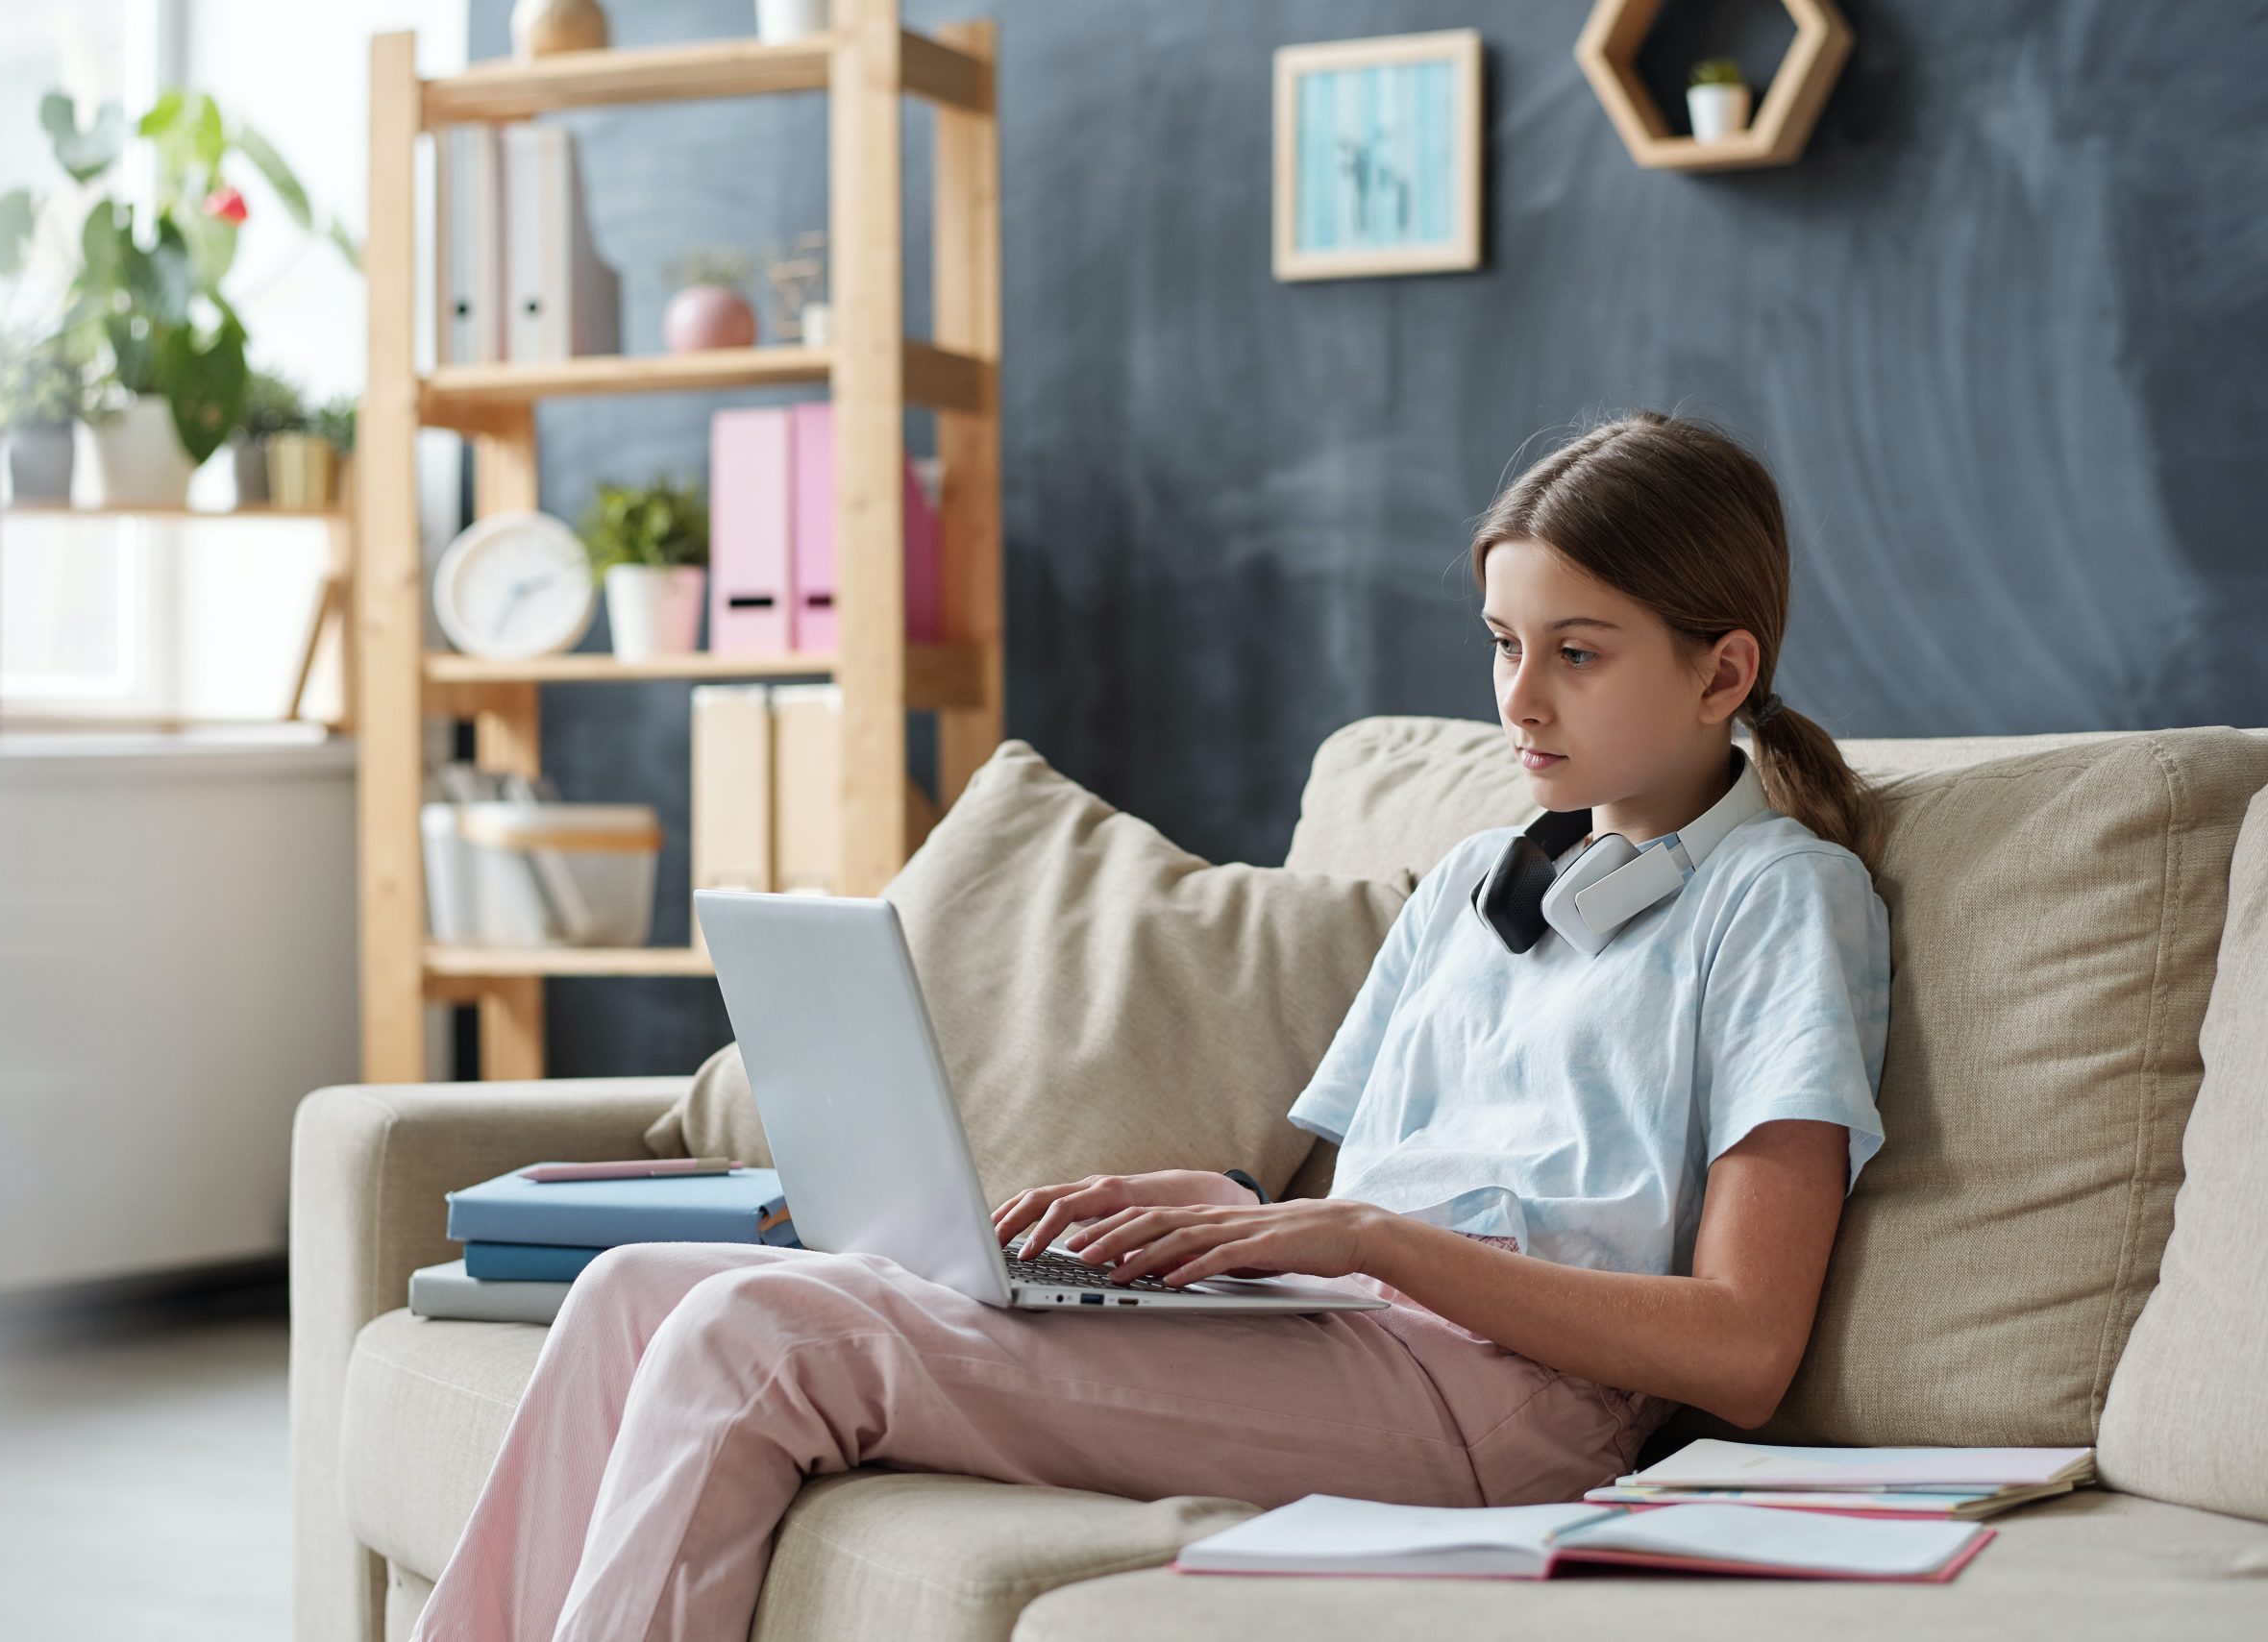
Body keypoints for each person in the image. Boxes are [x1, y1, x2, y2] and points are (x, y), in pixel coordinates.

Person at [408, 409, 1894, 1642]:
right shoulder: (1470, 881)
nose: (1519, 697)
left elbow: (1745, 1342)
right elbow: (1338, 1193)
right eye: (1501, 641)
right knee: (636, 1288)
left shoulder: (1782, 903)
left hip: (1503, 1417)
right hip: (1351, 1335)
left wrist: (1374, 1240)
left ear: (1722, 670)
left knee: (756, 1328)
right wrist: (1212, 1208)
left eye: (1578, 651)